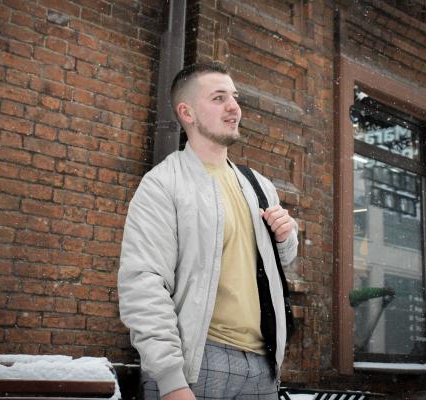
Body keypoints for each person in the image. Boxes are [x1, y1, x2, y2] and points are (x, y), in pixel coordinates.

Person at [118, 62, 299, 400]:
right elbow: (143, 284)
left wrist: (285, 236)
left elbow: (282, 260)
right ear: (186, 112)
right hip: (197, 364)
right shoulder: (163, 184)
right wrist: (171, 379)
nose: (234, 107)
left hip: (264, 367)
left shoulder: (258, 185)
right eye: (219, 98)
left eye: (235, 97)